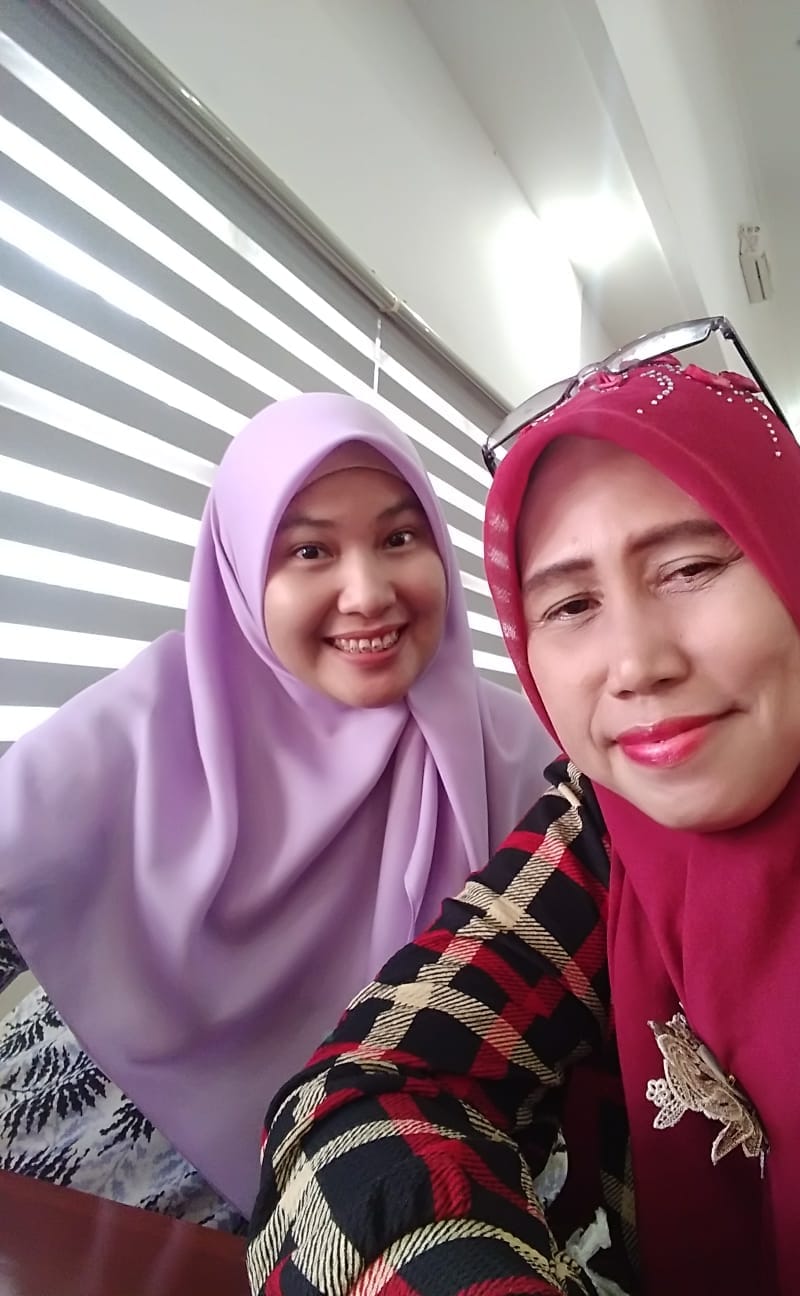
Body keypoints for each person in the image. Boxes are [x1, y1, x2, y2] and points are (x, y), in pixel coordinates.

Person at [246, 335, 800, 1295]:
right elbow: (365, 1094)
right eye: (571, 605)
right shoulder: (601, 829)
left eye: (691, 568)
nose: (636, 665)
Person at [0, 392, 554, 1230]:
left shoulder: (520, 760)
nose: (368, 593)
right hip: (58, 1167)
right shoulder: (145, 724)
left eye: (399, 539)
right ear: (241, 569)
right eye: (310, 550)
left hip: (341, 1222)